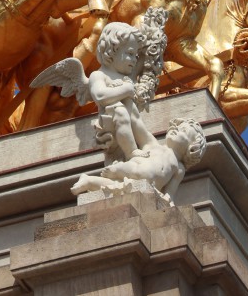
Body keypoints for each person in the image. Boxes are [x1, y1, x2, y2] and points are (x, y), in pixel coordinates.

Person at [72, 117, 206, 203]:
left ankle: (89, 181)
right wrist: (128, 103)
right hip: (135, 166)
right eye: (176, 127)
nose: (175, 129)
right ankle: (118, 169)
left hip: (147, 183)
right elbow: (137, 124)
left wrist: (167, 202)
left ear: (191, 148)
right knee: (133, 172)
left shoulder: (180, 168)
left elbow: (170, 193)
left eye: (183, 131)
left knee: (118, 186)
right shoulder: (153, 145)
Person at [89, 22, 156, 161]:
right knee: (119, 110)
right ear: (111, 50)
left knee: (129, 109)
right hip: (108, 123)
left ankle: (146, 141)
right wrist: (125, 89)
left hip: (128, 125)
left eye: (136, 55)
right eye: (130, 53)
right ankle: (131, 151)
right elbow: (100, 96)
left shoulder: (125, 78)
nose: (134, 59)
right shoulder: (98, 75)